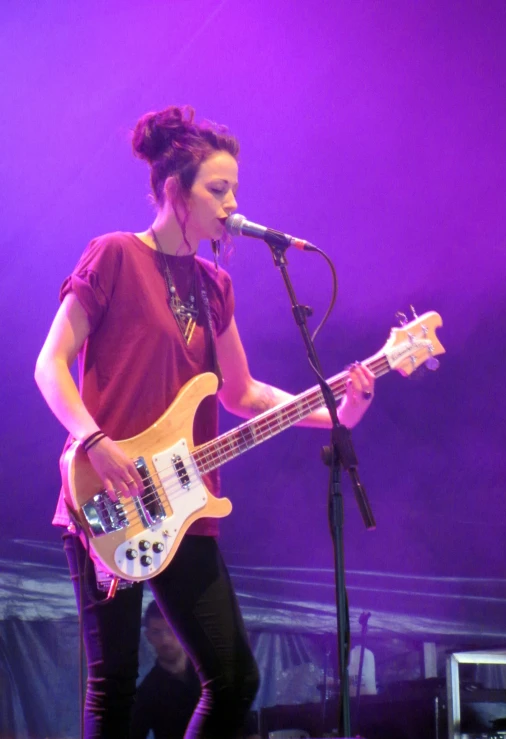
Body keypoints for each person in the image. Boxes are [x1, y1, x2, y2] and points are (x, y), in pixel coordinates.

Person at [34, 104, 375, 739]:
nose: (232, 204)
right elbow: (49, 365)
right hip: (106, 493)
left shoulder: (214, 285)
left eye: (235, 190)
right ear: (174, 190)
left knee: (235, 680)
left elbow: (243, 394)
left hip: (184, 499)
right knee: (113, 690)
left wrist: (336, 411)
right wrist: (94, 439)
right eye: (217, 189)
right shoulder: (112, 255)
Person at [131, 600, 259, 739]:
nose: (165, 640)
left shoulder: (213, 673)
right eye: (156, 632)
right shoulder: (147, 692)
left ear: (183, 631)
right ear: (148, 636)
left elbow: (247, 726)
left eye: (170, 630)